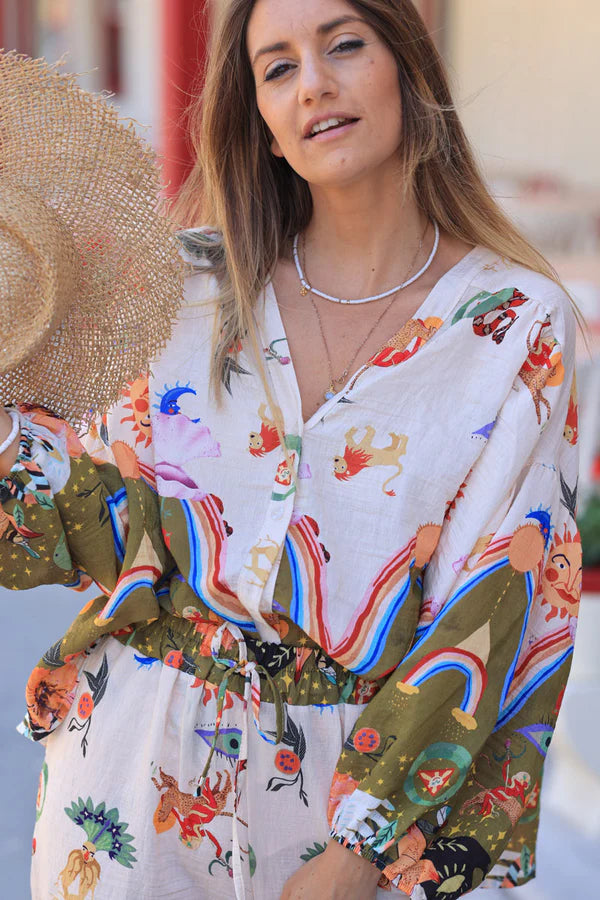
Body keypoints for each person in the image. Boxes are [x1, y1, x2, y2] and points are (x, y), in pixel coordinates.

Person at [0, 0, 582, 898]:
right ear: (265, 126)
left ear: (410, 73)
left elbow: (496, 605)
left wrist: (360, 846)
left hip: (340, 802)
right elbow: (97, 524)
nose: (313, 83)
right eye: (277, 68)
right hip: (125, 762)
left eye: (344, 45)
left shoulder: (515, 324)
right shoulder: (185, 289)